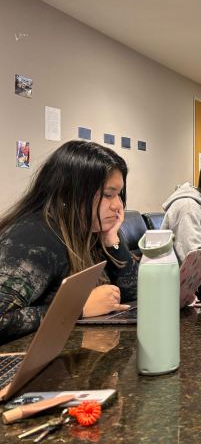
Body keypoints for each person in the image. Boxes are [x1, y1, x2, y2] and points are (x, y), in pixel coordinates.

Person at [0, 141, 137, 341]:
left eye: (118, 194)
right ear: (71, 193)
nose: (118, 205)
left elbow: (132, 293)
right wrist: (75, 308)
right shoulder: (35, 237)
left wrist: (111, 239)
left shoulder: (90, 230)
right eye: (108, 195)